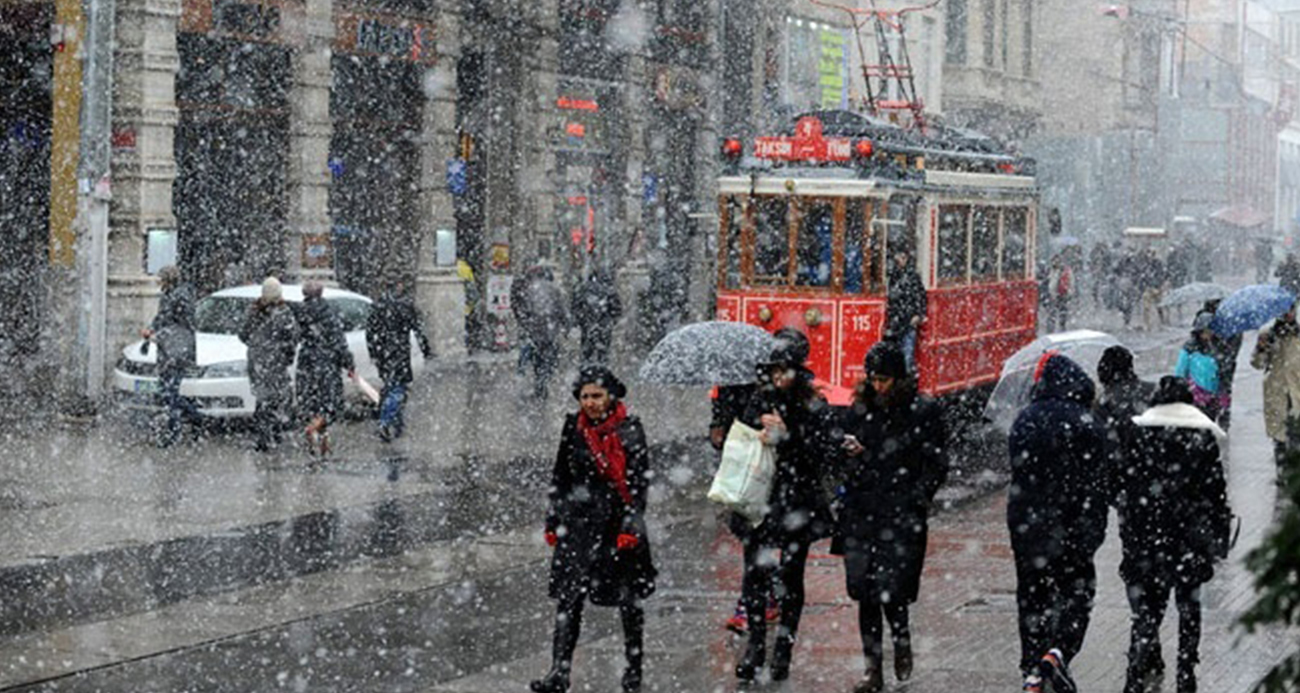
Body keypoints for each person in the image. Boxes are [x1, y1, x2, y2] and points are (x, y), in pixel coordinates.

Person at [532, 367, 656, 693]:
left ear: (610, 396)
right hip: (578, 526)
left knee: (628, 602)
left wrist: (631, 524)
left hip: (617, 526)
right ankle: (558, 671)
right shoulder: (573, 428)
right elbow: (560, 477)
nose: (590, 403)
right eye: (585, 396)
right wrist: (553, 519)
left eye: (597, 396)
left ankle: (633, 668)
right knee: (568, 600)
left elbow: (639, 483)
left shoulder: (630, 429)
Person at [838, 342, 948, 693]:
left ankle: (901, 641)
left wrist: (918, 497)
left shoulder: (921, 411)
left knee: (893, 591)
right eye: (872, 378)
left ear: (898, 379)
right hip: (862, 513)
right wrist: (850, 455)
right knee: (865, 593)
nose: (877, 385)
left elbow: (935, 462)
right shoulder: (860, 410)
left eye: (883, 379)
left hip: (900, 514)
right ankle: (873, 670)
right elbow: (841, 453)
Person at [1115, 376, 1231, 693]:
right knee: (1189, 608)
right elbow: (1215, 492)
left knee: (1147, 611)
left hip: (1149, 538)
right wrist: (1217, 537)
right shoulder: (1201, 436)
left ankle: (1135, 671)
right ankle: (1186, 669)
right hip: (1190, 539)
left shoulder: (1138, 434)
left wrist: (1130, 530)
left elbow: (1124, 485)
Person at [733, 341, 835, 683]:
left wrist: (786, 436)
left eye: (784, 371)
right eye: (774, 371)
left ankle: (784, 650)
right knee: (754, 575)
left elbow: (821, 452)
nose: (779, 377)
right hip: (759, 498)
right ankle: (756, 646)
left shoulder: (811, 404)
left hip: (796, 499)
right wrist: (756, 433)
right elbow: (740, 441)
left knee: (792, 576)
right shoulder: (758, 400)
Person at [1007, 353, 1107, 693]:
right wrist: (1094, 531)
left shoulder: (1024, 420)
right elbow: (1098, 483)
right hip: (1073, 528)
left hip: (1029, 529)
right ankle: (1058, 652)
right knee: (1077, 595)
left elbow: (1018, 473)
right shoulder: (1087, 422)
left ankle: (1032, 668)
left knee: (1032, 597)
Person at [711, 329, 808, 635]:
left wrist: (785, 435)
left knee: (779, 563)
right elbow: (733, 411)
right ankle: (754, 610)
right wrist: (726, 426)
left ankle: (769, 613)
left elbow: (816, 447)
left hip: (785, 491)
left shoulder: (804, 401)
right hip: (753, 483)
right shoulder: (750, 386)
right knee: (754, 553)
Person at [365, 278, 432, 441]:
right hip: (399, 351)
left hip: (383, 352)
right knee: (397, 388)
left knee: (390, 386)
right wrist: (426, 349)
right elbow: (418, 329)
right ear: (398, 286)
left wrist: (373, 351)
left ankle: (398, 424)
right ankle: (385, 422)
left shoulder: (378, 306)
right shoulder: (405, 306)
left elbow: (369, 331)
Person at [239, 277, 300, 452]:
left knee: (262, 397)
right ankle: (274, 432)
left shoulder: (254, 311)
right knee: (277, 397)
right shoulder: (284, 313)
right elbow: (292, 339)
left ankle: (264, 436)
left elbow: (242, 334)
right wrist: (286, 356)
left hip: (258, 360)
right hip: (275, 361)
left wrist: (256, 345)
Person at [294, 281, 354, 457]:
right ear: (321, 294)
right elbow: (339, 342)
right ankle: (315, 430)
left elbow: (293, 337)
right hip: (327, 364)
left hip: (306, 363)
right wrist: (349, 363)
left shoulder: (300, 312)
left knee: (310, 402)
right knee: (329, 405)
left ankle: (319, 440)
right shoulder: (329, 313)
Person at [142, 265, 199, 448]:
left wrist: (157, 335)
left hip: (177, 352)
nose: (159, 282)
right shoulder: (168, 295)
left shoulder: (180, 297)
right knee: (167, 392)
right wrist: (151, 328)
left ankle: (174, 434)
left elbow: (180, 328)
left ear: (169, 280)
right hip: (168, 351)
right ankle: (195, 416)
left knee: (170, 392)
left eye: (162, 278)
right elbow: (161, 318)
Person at [1096, 345, 1156, 496]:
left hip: (1127, 479)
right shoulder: (1153, 391)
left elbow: (1107, 446)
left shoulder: (1105, 401)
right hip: (1157, 473)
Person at [1252, 303, 1300, 470]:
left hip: (1296, 393)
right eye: (1285, 311)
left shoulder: (1298, 334)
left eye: (1291, 310)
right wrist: (1261, 348)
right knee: (1279, 437)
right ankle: (1282, 472)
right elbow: (1257, 364)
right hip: (1276, 392)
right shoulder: (1269, 335)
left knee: (1296, 436)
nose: (1289, 314)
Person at [514, 265, 568, 399]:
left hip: (535, 331)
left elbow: (523, 309)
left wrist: (525, 324)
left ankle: (537, 382)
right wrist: (565, 326)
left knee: (537, 357)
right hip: (550, 331)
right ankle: (542, 383)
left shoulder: (530, 289)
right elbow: (561, 310)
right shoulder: (555, 290)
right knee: (547, 357)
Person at [1195, 299, 1242, 430]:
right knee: (1214, 391)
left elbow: (1234, 345)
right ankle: (1215, 418)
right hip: (1212, 364)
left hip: (1223, 364)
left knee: (1222, 391)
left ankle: (1222, 419)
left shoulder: (1230, 323)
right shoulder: (1204, 320)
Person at [1174, 313, 1225, 422]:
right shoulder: (1189, 348)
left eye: (1211, 330)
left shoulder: (1216, 346)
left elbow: (1219, 370)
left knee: (1210, 423)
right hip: (1195, 393)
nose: (1210, 333)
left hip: (1212, 395)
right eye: (1207, 330)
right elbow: (1180, 370)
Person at [884, 248, 926, 374]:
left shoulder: (912, 276)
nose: (899, 260)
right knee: (900, 353)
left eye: (902, 257)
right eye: (898, 257)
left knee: (907, 353)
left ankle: (904, 379)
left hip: (906, 320)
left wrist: (918, 314)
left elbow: (920, 296)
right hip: (898, 321)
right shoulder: (894, 276)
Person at [570, 269, 623, 365]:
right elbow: (617, 309)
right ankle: (601, 369)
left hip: (587, 325)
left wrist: (579, 321)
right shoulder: (609, 290)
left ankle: (586, 370)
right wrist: (612, 321)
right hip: (604, 325)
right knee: (603, 352)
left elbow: (575, 307)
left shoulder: (583, 289)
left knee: (587, 351)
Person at [1045, 253, 1074, 332]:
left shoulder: (1056, 270)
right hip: (1058, 294)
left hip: (1060, 294)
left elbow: (1070, 282)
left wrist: (1069, 292)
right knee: (1056, 313)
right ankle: (1056, 327)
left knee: (1058, 313)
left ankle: (1058, 327)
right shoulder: (1054, 270)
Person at [1088, 242, 1112, 307]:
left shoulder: (1103, 253)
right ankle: (1098, 300)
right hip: (1099, 273)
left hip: (1100, 273)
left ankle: (1099, 300)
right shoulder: (1097, 253)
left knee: (1099, 286)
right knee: (1098, 286)